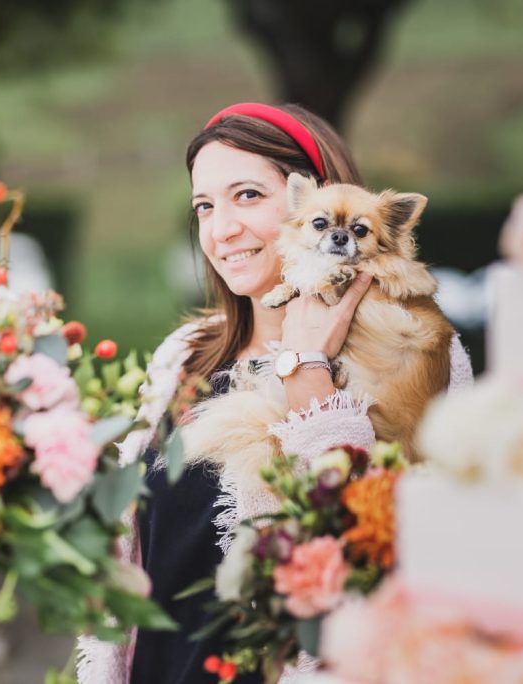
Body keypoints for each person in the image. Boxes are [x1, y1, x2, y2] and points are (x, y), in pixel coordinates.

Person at [76, 102, 473, 684]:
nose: (221, 229)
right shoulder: (186, 354)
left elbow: (397, 564)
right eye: (204, 206)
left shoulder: (419, 350)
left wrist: (307, 370)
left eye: (247, 196)